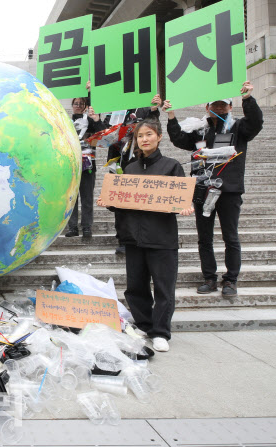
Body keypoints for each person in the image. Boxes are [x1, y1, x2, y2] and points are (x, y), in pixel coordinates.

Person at [98, 120, 194, 352]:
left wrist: (185, 205)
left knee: (163, 287)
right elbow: (123, 203)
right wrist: (108, 202)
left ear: (159, 137)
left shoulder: (171, 167)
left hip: (161, 238)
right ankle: (144, 324)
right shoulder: (129, 169)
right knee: (136, 286)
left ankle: (160, 332)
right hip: (134, 237)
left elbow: (180, 198)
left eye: (149, 134)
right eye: (140, 136)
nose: (144, 139)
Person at [165, 81, 263, 298]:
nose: (219, 109)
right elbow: (179, 139)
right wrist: (171, 116)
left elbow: (256, 123)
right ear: (207, 107)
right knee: (204, 237)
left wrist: (247, 98)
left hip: (229, 191)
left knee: (231, 236)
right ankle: (209, 277)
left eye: (223, 105)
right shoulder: (199, 129)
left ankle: (231, 280)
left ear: (230, 107)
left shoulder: (238, 128)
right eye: (215, 105)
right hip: (203, 190)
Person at [105, 95, 162, 255]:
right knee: (119, 203)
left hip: (139, 162)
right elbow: (104, 130)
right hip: (117, 161)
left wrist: (154, 110)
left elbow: (153, 127)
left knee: (139, 202)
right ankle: (123, 239)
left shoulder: (144, 109)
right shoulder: (115, 110)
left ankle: (141, 236)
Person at [65, 96, 108, 238]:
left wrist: (91, 93)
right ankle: (72, 227)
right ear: (72, 105)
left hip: (88, 164)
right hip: (70, 165)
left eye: (81, 103)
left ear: (85, 106)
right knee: (72, 198)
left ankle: (87, 227)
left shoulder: (89, 121)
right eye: (75, 103)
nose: (78, 105)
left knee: (87, 197)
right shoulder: (66, 121)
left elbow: (103, 133)